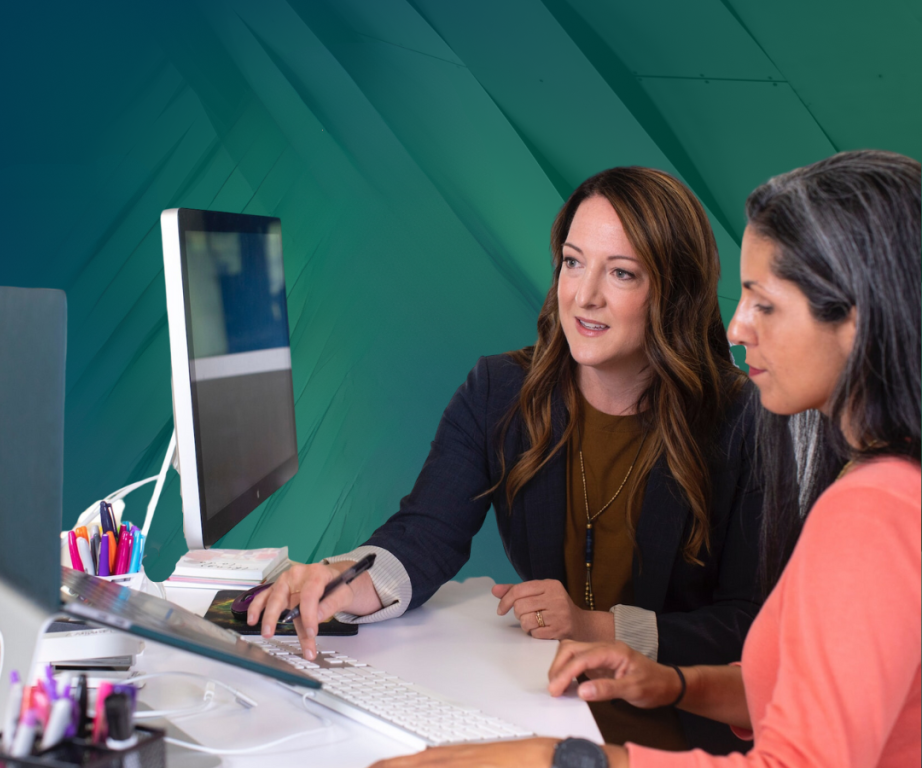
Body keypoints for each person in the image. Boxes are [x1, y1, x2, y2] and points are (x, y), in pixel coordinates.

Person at [369, 150, 921, 768]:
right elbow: (801, 690)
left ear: (857, 320)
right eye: (572, 264)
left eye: (764, 303)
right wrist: (672, 682)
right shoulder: (885, 487)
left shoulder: (871, 508)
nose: (737, 327)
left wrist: (556, 759)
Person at [250, 166, 764, 751]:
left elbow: (749, 625)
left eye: (621, 273)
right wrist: (345, 583)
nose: (584, 295)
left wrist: (597, 627)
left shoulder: (743, 422)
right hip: (545, 708)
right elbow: (426, 531)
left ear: (674, 293)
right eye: (573, 262)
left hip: (683, 735)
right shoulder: (499, 391)